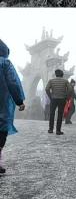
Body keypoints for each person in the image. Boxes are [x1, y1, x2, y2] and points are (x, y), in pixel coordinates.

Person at [0, 39, 26, 175]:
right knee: (1, 130)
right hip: (2, 104)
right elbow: (13, 83)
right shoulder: (5, 63)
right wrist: (19, 101)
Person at [45, 69, 74, 135]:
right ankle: (58, 130)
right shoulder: (65, 81)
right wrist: (66, 96)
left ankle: (50, 129)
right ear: (62, 74)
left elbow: (47, 89)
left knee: (52, 114)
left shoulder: (51, 81)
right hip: (62, 99)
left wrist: (50, 96)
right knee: (60, 115)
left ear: (56, 74)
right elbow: (70, 89)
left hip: (53, 99)